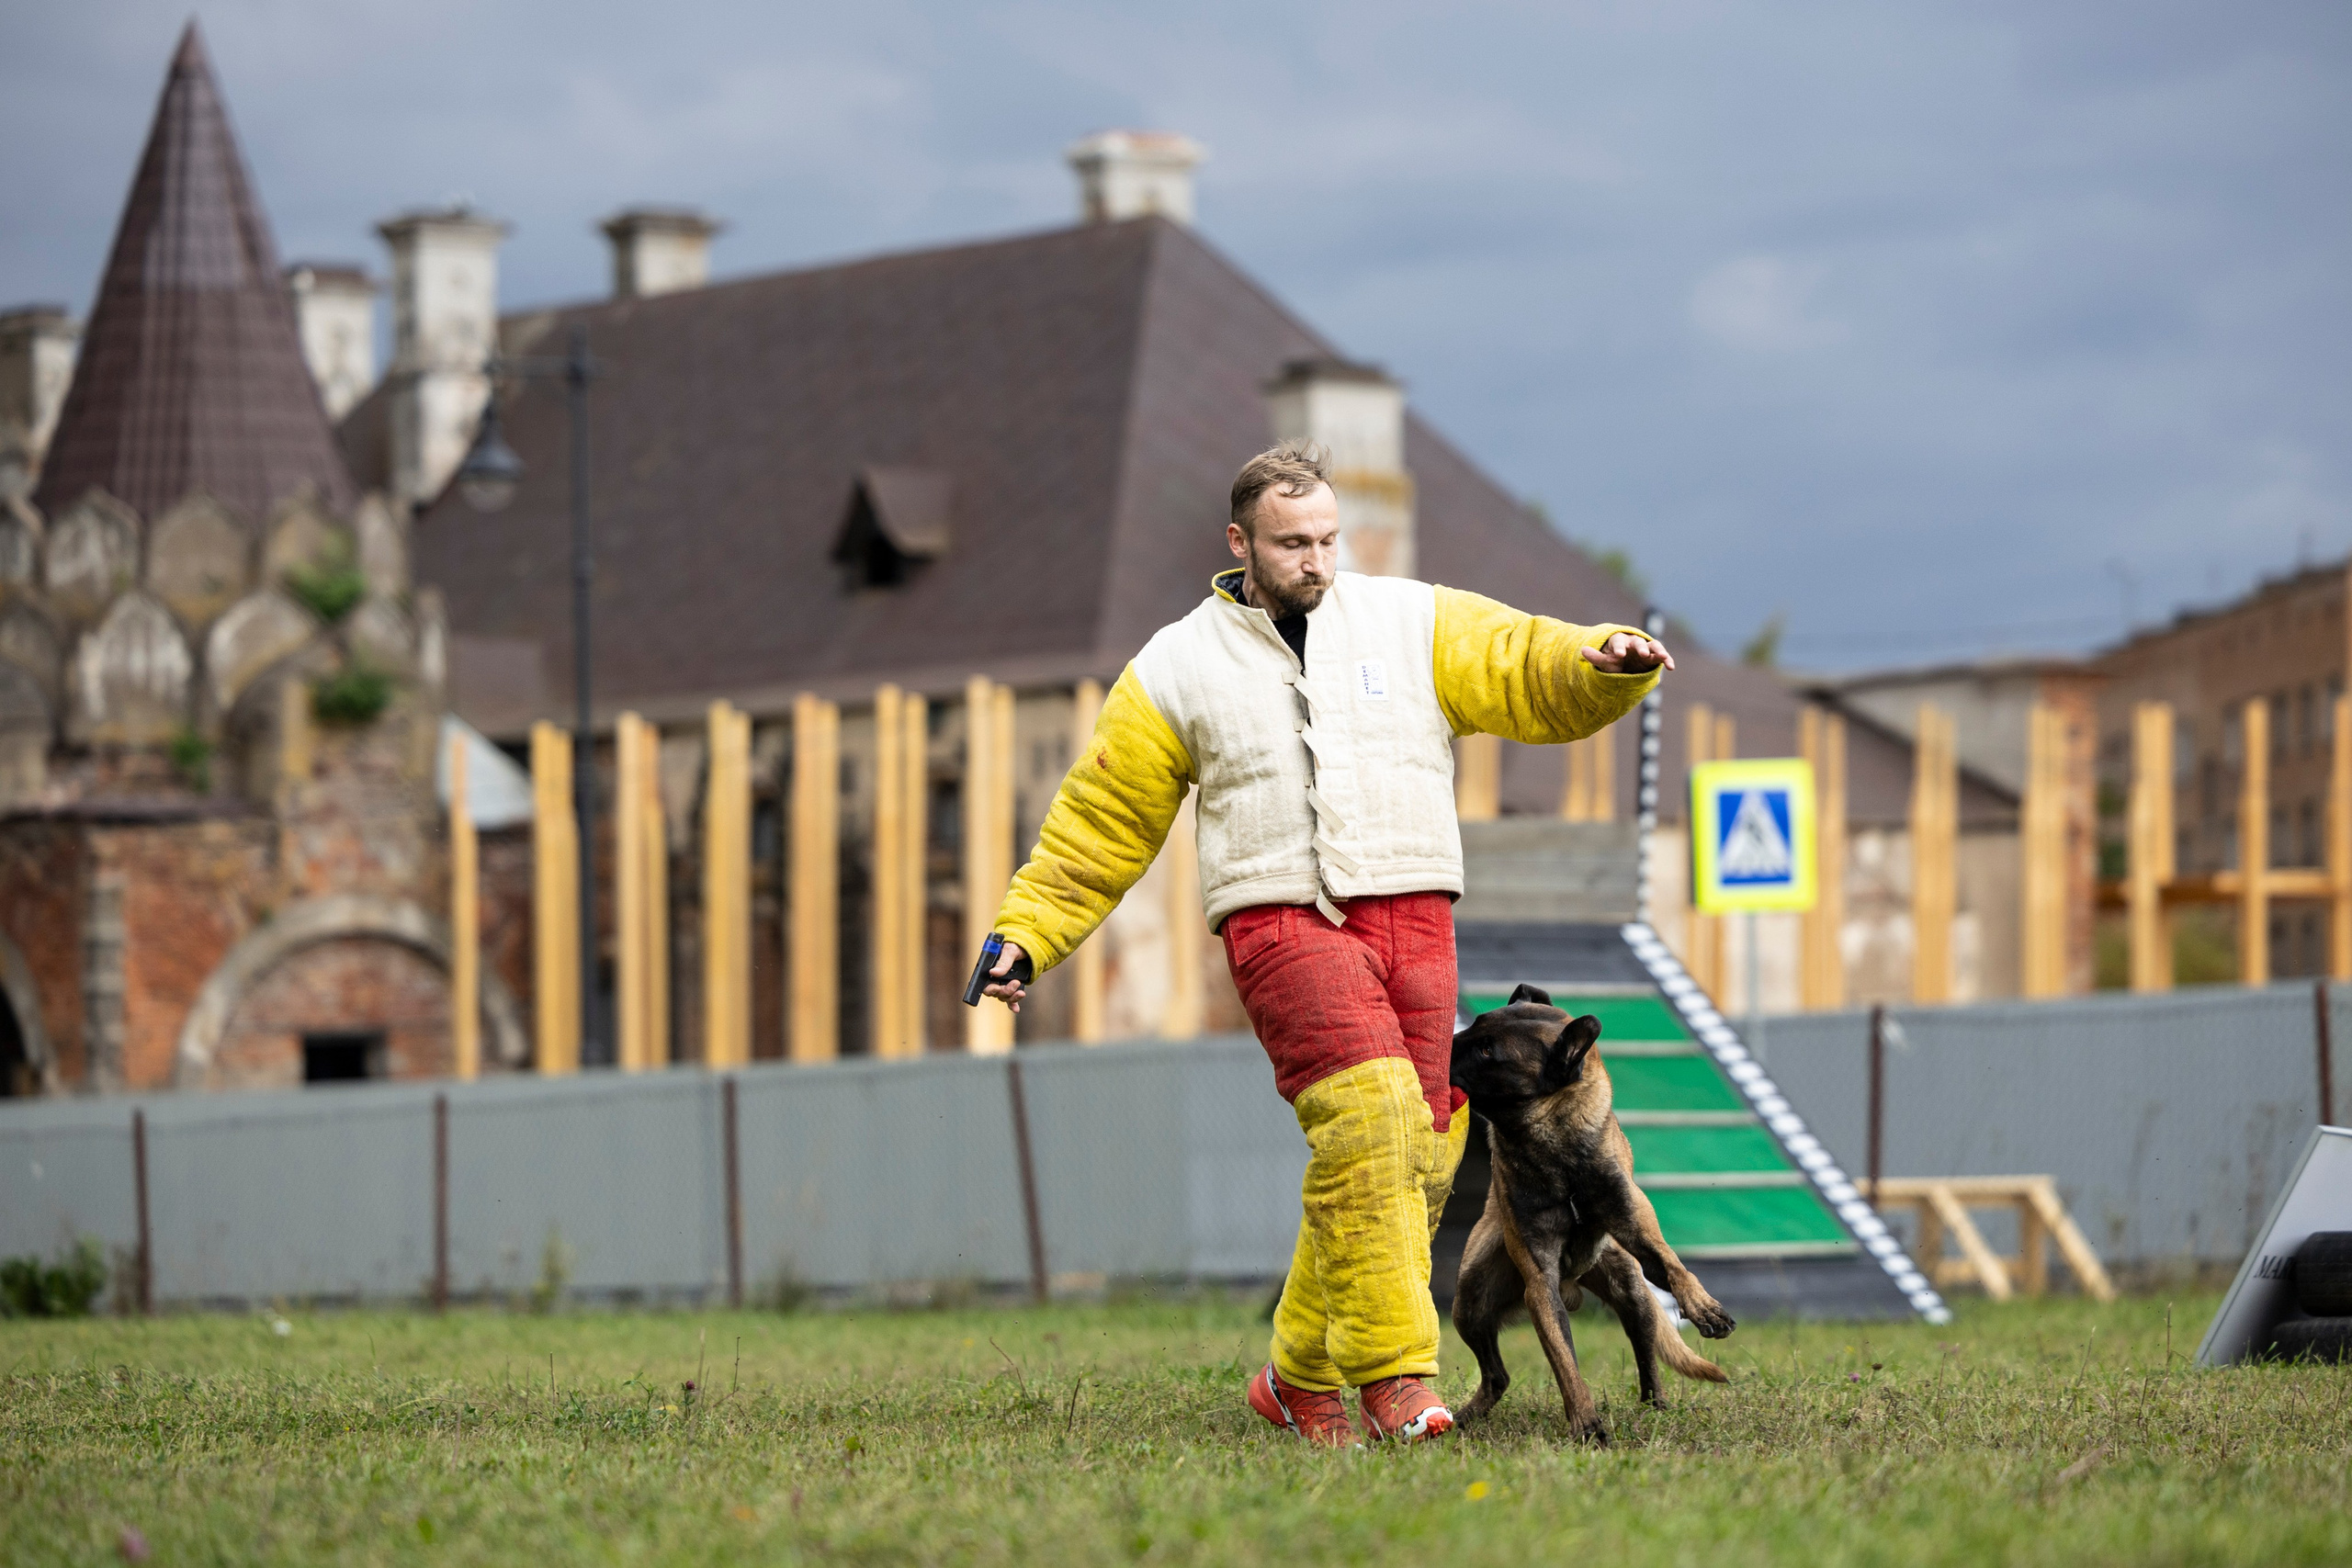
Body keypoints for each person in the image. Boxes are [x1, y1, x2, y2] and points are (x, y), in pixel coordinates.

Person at [979, 442, 1672, 1447]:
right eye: (1291, 542)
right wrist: (1026, 934)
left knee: (1419, 1148)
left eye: (1326, 540)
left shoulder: (1408, 619)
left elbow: (1524, 661)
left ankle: (1294, 1376)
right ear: (1240, 543)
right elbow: (1100, 820)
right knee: (1372, 1122)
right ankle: (1397, 1376)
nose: (1315, 559)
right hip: (1280, 918)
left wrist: (1600, 660)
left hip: (1416, 912)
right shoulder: (1174, 667)